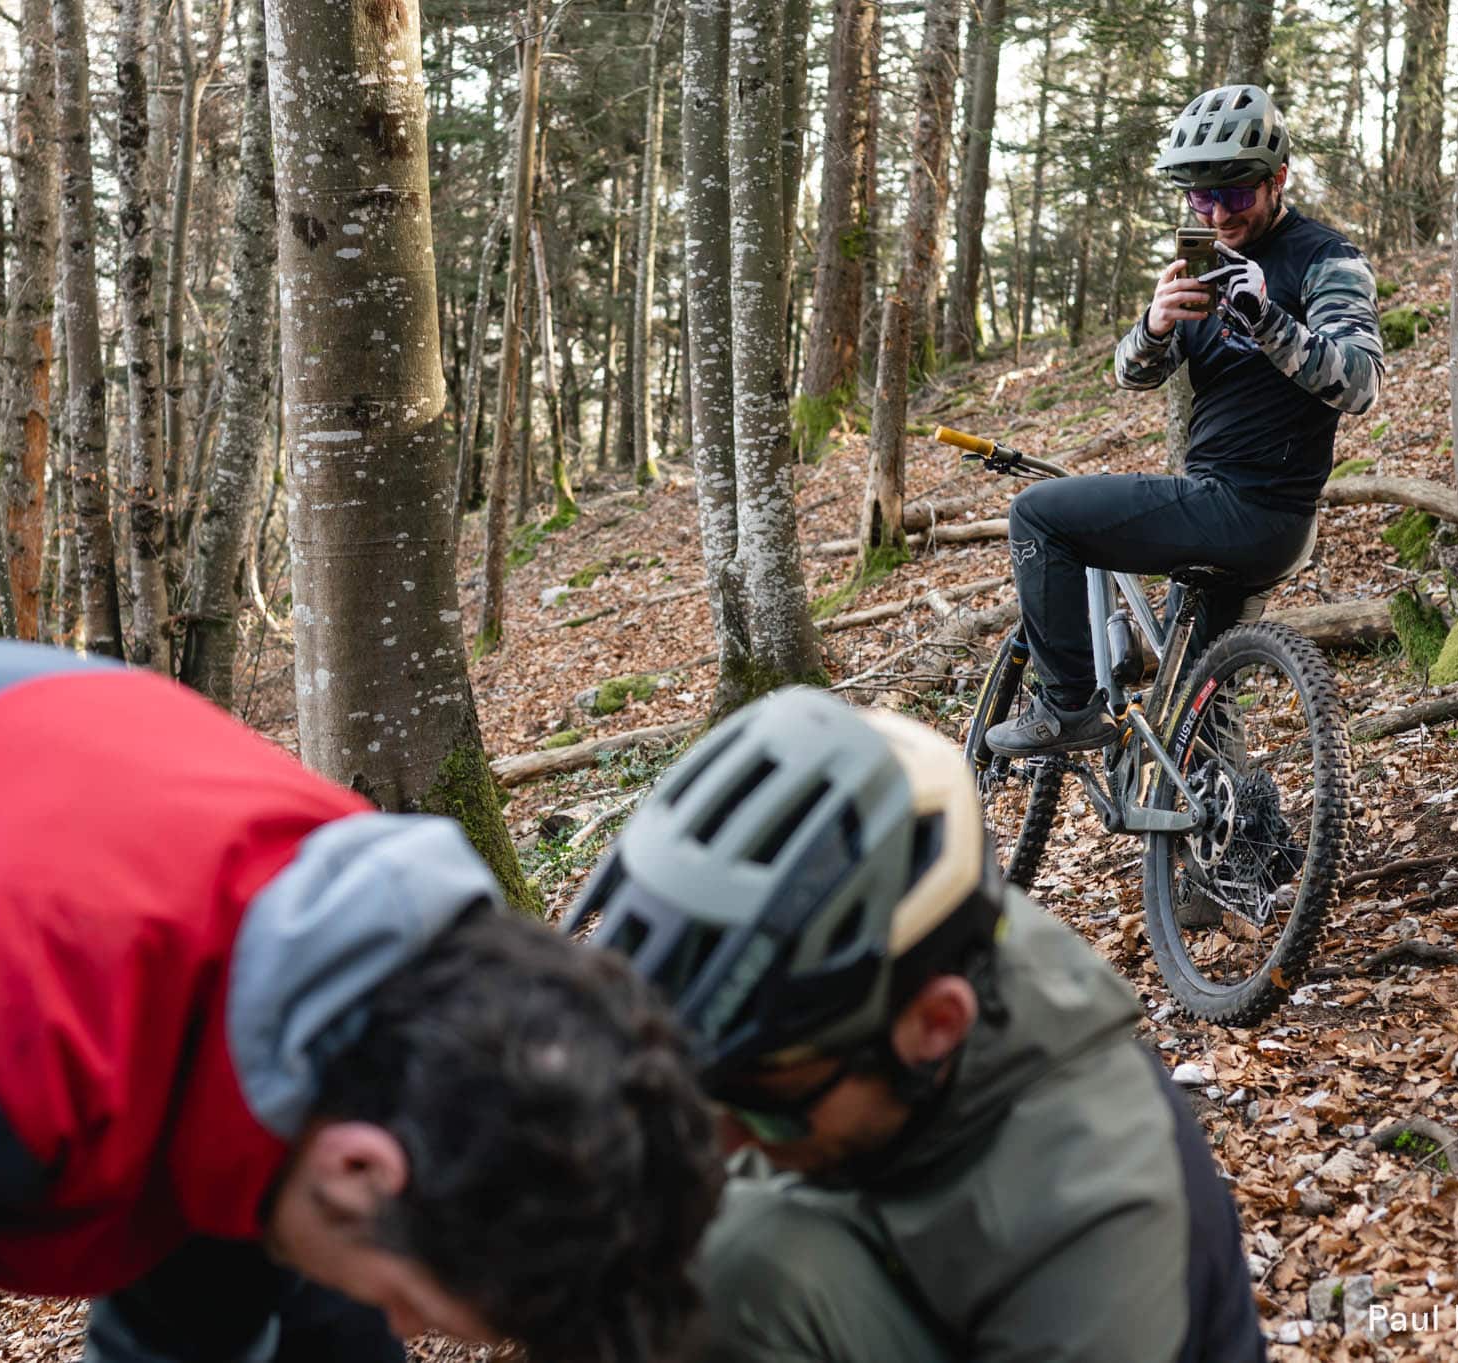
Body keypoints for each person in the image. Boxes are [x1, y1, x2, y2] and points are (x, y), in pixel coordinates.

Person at [0, 636, 722, 1363]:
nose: (399, 1325)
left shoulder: (335, 982)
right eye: (416, 1309)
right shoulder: (3, 1006)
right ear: (360, 1170)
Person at [569, 687, 1267, 1363]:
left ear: (936, 1024)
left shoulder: (1094, 1210)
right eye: (705, 1093)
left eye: (769, 1108)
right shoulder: (904, 961)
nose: (726, 1143)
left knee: (732, 1264)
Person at [988, 83, 1383, 756]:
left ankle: (1067, 707)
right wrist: (1155, 323)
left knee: (1038, 515)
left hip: (1253, 508)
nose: (1219, 212)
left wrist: (1269, 322)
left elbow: (1361, 384)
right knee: (1197, 712)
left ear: (1277, 179)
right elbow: (1128, 376)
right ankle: (1251, 845)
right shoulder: (1204, 267)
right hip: (1228, 514)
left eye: (1235, 193)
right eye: (1201, 197)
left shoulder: (1324, 259)